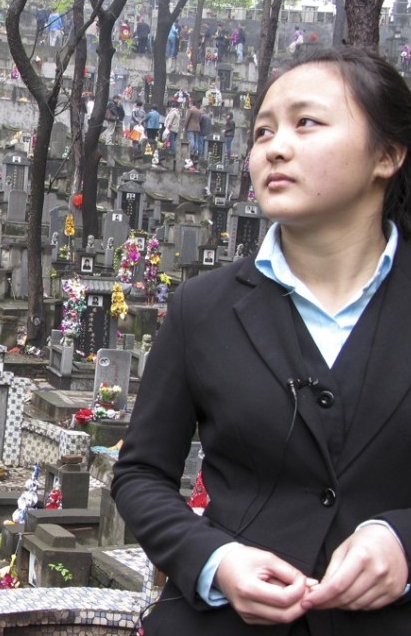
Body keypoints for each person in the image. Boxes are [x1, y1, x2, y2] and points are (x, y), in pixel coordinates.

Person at [112, 46, 411, 634]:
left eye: (307, 123)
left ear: (388, 154)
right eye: (262, 131)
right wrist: (216, 561)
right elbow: (140, 474)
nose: (274, 147)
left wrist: (403, 538)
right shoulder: (202, 308)